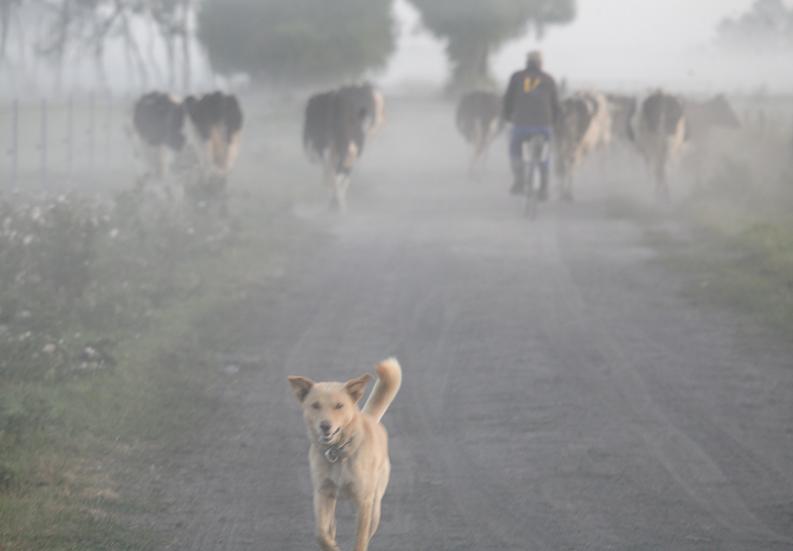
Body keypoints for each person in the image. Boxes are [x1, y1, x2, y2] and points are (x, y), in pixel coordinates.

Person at [502, 50, 561, 199]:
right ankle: (544, 189)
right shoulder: (549, 79)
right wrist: (554, 122)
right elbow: (555, 105)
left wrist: (507, 116)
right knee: (544, 156)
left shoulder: (517, 77)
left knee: (515, 151)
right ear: (541, 63)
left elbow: (508, 100)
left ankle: (519, 181)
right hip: (544, 125)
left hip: (521, 124)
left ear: (526, 62)